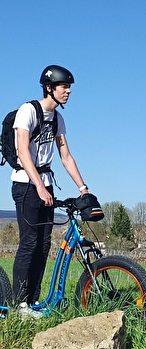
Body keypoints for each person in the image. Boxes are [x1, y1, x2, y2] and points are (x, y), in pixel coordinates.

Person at [11, 65, 89, 317]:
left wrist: (83, 188)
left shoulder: (57, 119)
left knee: (44, 245)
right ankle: (18, 305)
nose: (68, 91)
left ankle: (31, 302)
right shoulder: (28, 111)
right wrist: (38, 187)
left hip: (45, 184)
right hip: (25, 184)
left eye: (69, 87)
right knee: (29, 243)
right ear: (49, 88)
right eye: (64, 86)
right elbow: (23, 152)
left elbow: (65, 156)